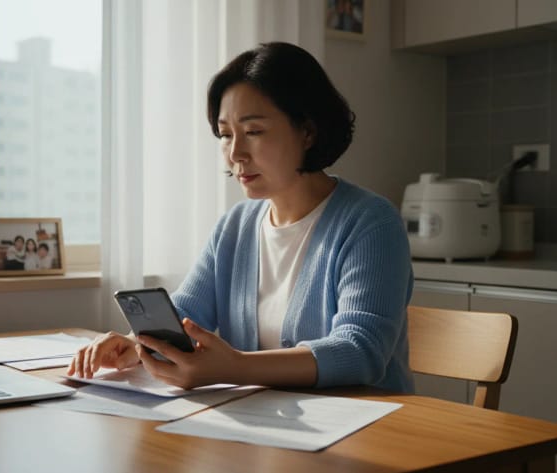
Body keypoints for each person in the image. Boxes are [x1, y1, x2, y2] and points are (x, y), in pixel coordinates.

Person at [68, 42, 414, 393]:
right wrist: (137, 345)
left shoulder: (371, 222)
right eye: (226, 134)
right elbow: (187, 314)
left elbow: (361, 351)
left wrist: (237, 368)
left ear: (307, 132)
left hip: (367, 428)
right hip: (269, 427)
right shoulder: (235, 226)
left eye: (253, 132)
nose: (235, 154)